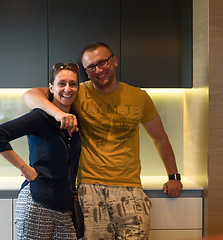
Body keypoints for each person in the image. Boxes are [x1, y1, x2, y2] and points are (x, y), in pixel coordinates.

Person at [22, 42, 183, 240]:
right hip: (89, 188)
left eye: (102, 62)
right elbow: (30, 95)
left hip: (130, 188)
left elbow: (160, 138)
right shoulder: (77, 92)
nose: (98, 70)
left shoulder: (139, 96)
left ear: (114, 61)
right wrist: (59, 114)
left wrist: (173, 176)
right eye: (91, 67)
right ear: (86, 71)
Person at [0, 62, 81, 240]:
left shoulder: (76, 120)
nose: (67, 89)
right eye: (62, 83)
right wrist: (24, 169)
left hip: (65, 208)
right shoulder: (40, 116)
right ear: (51, 88)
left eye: (72, 84)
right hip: (37, 203)